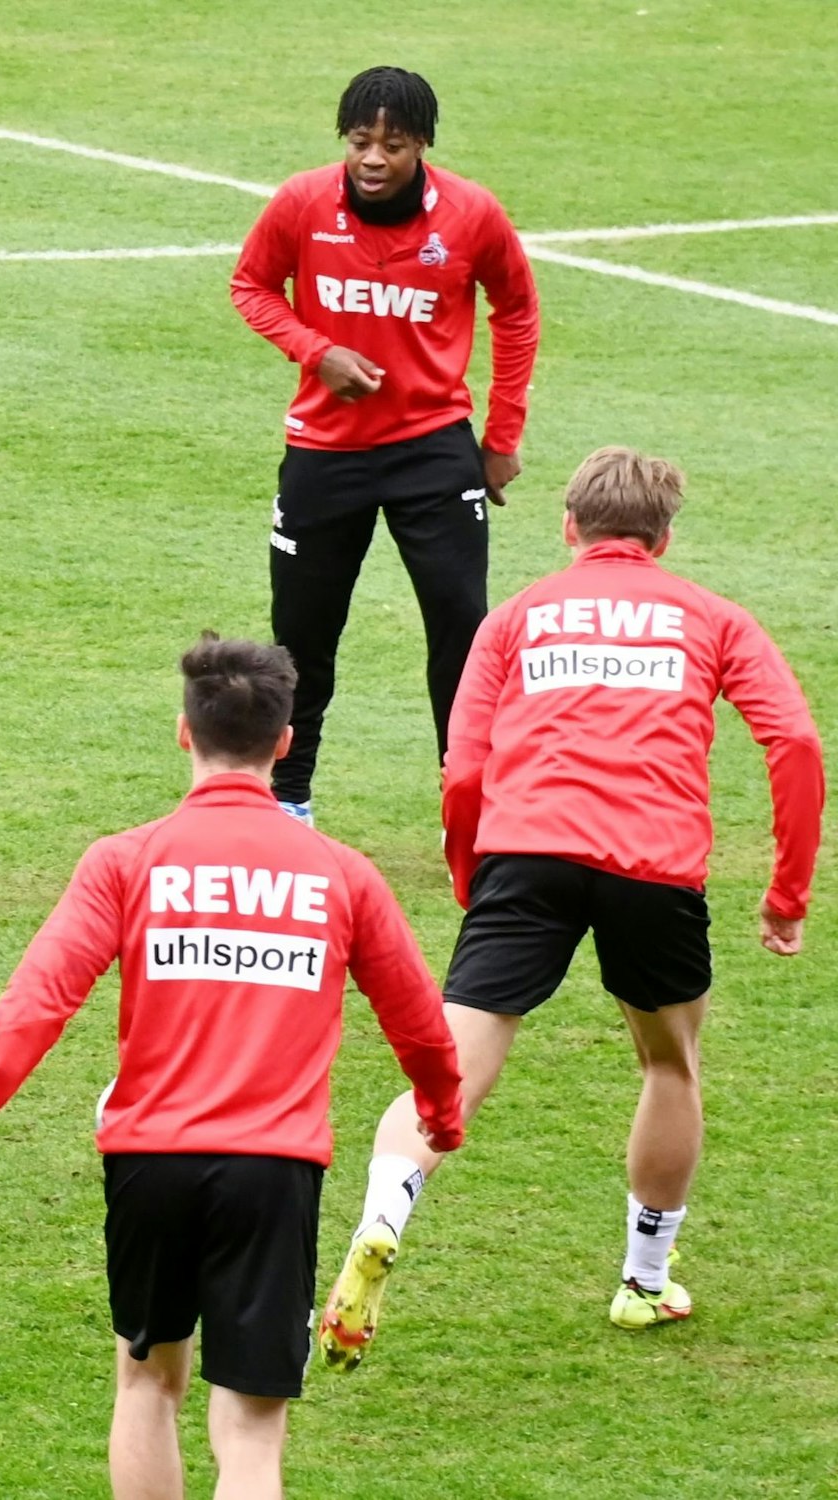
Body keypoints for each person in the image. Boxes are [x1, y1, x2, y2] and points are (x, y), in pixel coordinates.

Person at [0, 634, 465, 1500]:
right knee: (250, 1430)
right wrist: (442, 1116)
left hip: (150, 1165)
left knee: (147, 1385)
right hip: (274, 1174)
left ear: (183, 734)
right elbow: (419, 1023)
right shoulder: (341, 874)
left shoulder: (123, 863)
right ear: (283, 743)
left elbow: (35, 1005)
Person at [320, 447, 824, 1370]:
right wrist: (786, 894)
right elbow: (792, 739)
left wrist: (472, 868)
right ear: (664, 538)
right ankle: (643, 1279)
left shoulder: (515, 617)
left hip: (528, 855)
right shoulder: (713, 617)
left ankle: (385, 1215)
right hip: (654, 869)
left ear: (568, 528)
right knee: (670, 1064)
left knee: (453, 1067)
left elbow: (465, 764)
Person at [230, 66, 541, 824]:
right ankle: (290, 800)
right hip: (324, 454)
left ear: (422, 145)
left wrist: (500, 436)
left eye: (392, 144)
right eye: (360, 141)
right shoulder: (303, 202)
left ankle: (467, 804)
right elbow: (252, 287)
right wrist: (316, 350)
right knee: (303, 636)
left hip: (432, 450)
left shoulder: (471, 215)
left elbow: (518, 310)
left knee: (462, 629)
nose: (372, 158)